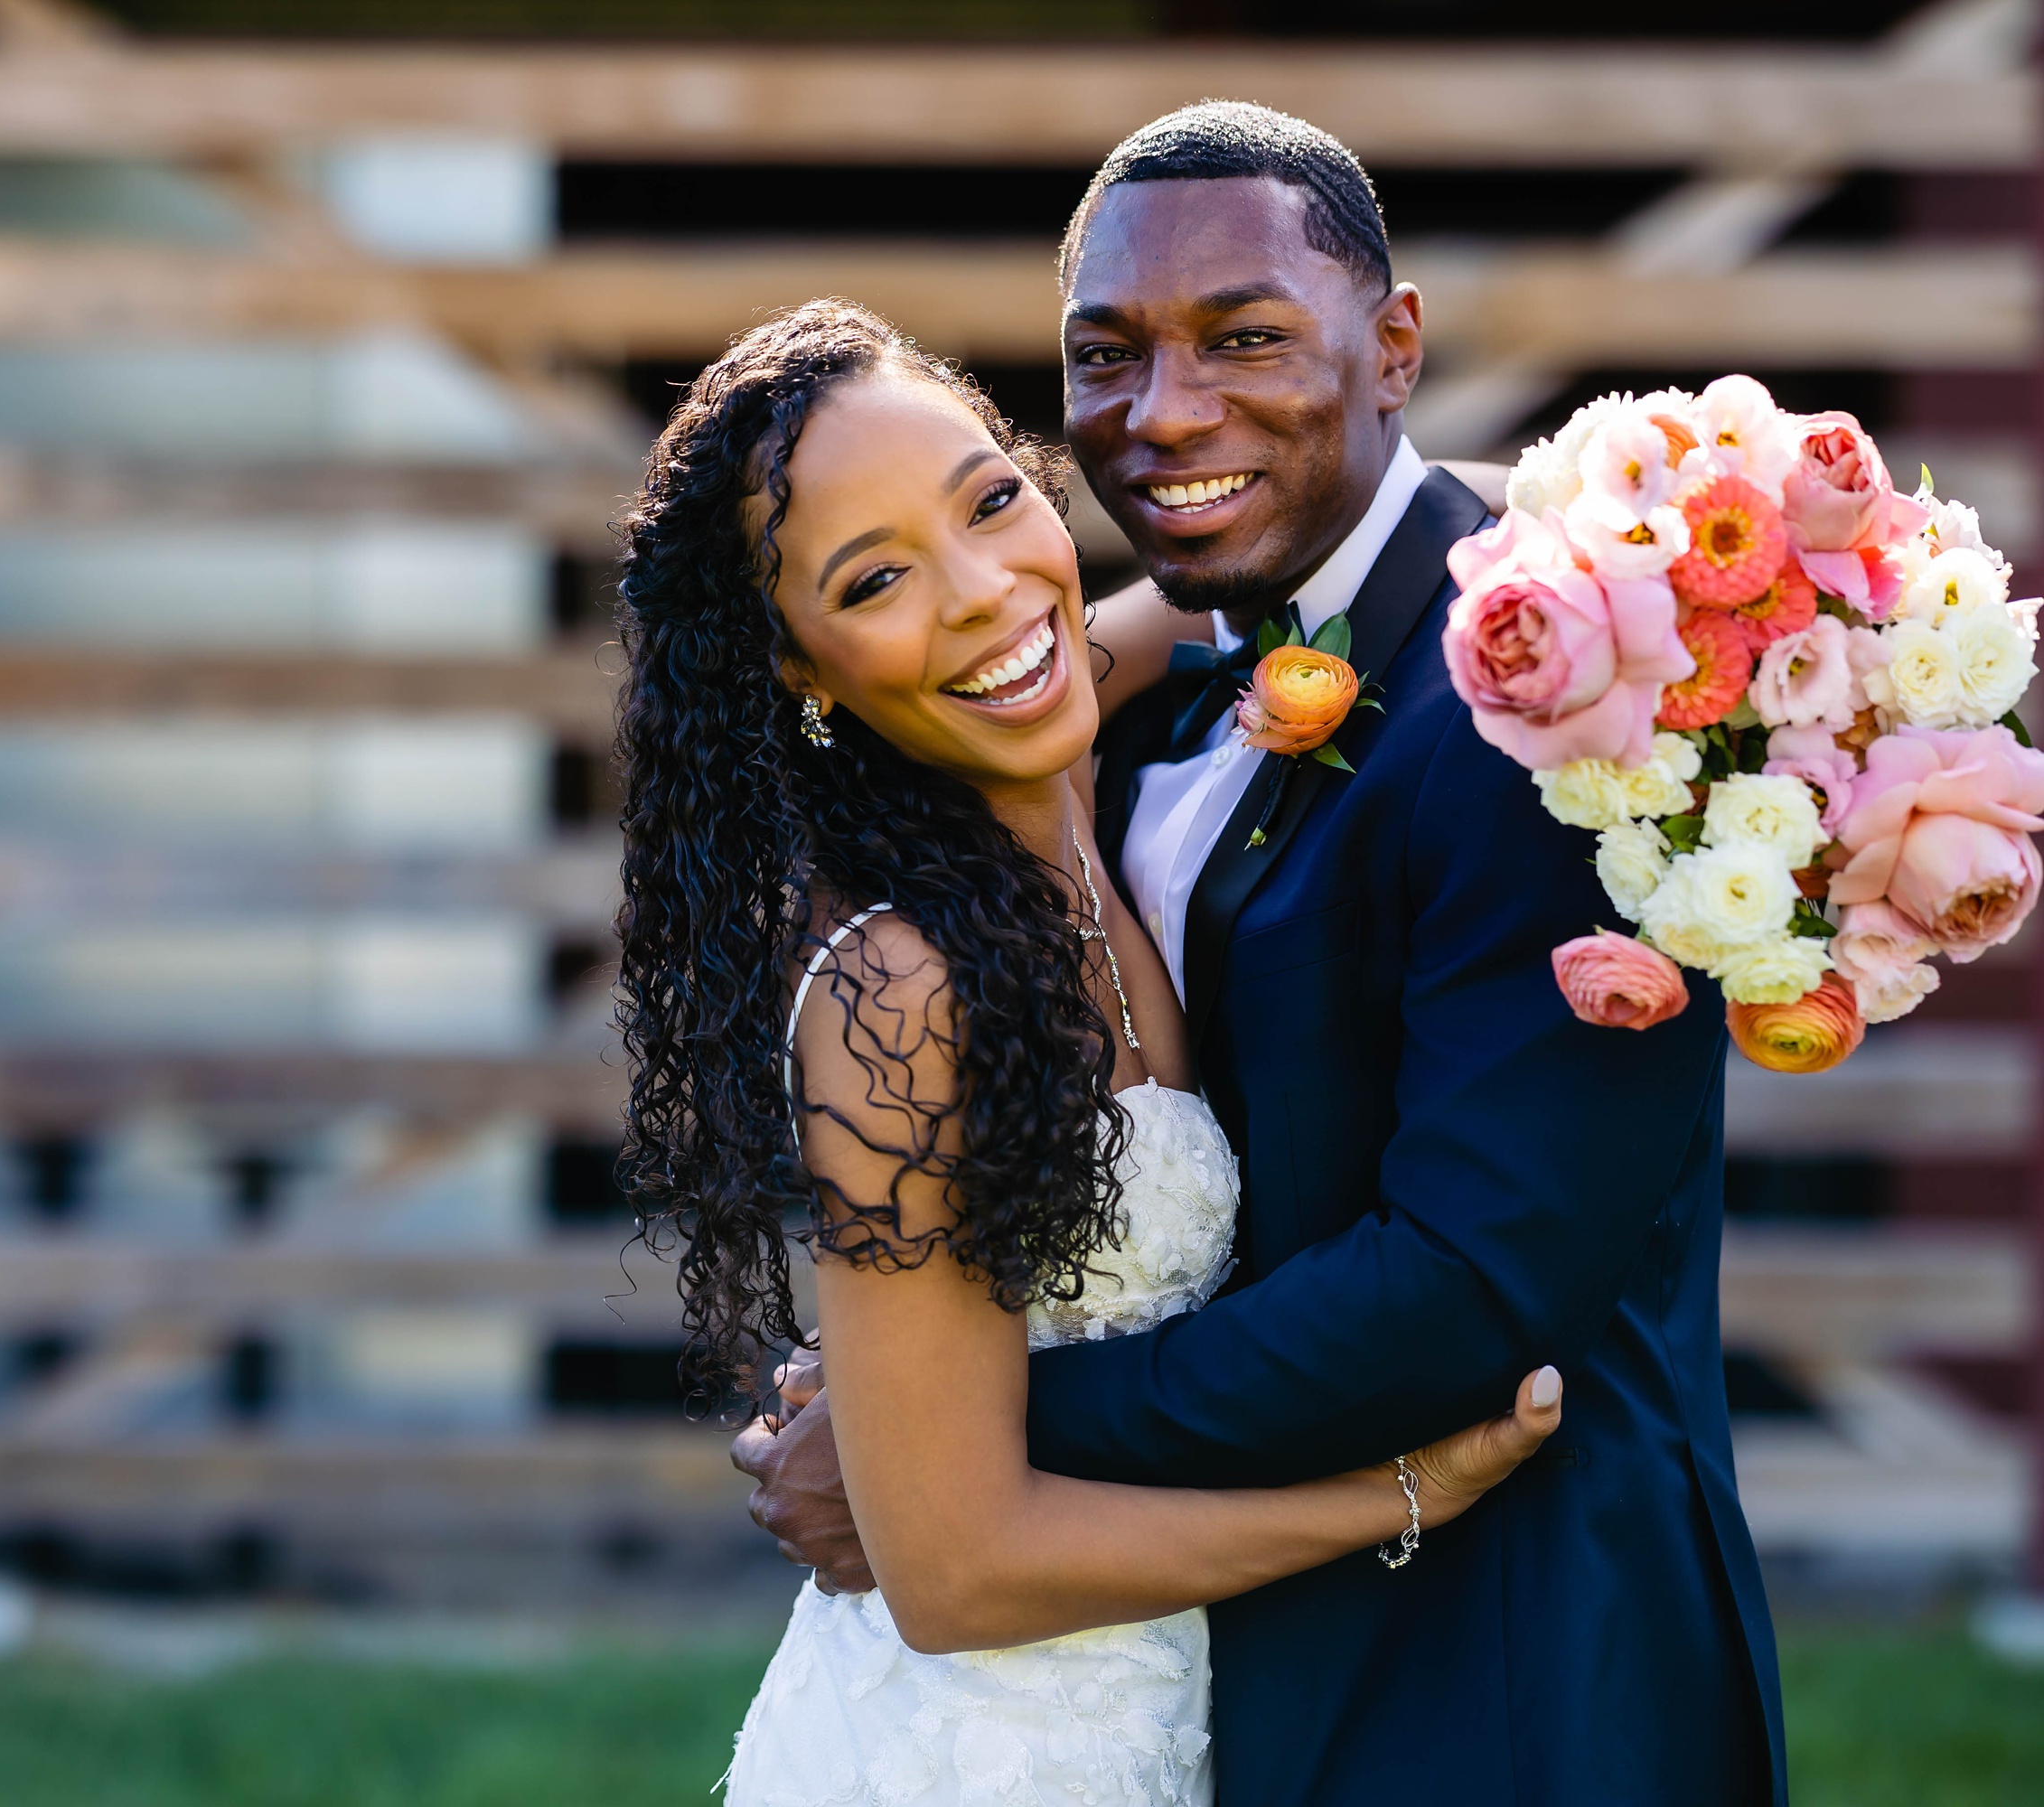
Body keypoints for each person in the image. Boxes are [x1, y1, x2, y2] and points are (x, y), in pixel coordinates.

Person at [731, 103, 1786, 1807]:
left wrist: (940, 1443)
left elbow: (1464, 1291)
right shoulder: (1119, 710)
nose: (1167, 414)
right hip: (1210, 1654)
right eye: (1106, 356)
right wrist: (930, 1442)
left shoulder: (1563, 711)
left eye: (1245, 340)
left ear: (1395, 347)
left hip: (1518, 1666)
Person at [613, 293, 1565, 1807]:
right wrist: (1395, 1496)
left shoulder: (1090, 751)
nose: (985, 593)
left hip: (1186, 1715)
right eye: (875, 583)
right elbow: (957, 1571)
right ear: (801, 674)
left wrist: (1680, 515)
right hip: (984, 1752)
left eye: (991, 501)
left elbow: (1359, 538)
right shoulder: (900, 991)